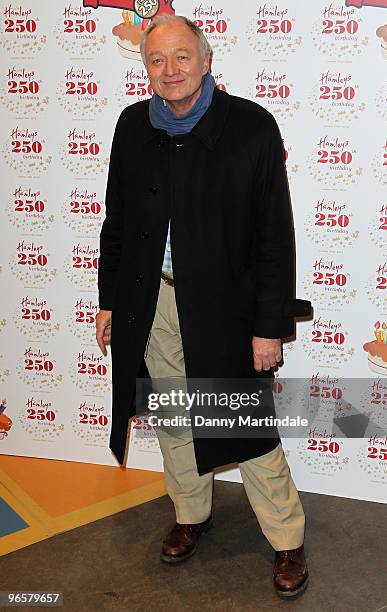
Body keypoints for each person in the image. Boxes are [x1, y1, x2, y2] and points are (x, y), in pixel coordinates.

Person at [96, 14, 312, 598]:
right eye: (156, 60)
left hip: (226, 308)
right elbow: (116, 223)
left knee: (243, 424)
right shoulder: (131, 125)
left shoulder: (250, 126)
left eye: (181, 57)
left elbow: (275, 237)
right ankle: (191, 515)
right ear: (145, 68)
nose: (169, 71)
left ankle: (287, 539)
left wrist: (269, 327)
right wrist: (110, 300)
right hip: (154, 299)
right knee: (171, 417)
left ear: (206, 59)